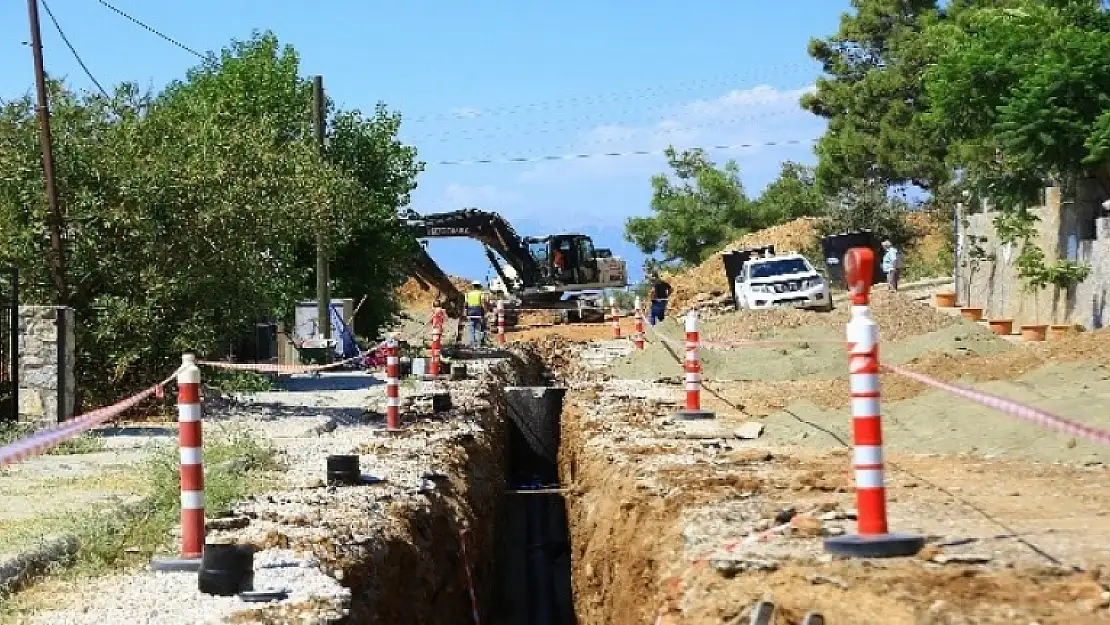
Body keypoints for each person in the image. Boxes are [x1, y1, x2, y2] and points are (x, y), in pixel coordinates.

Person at [464, 280, 487, 347]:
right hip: (478, 311)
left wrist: (465, 312)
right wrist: (485, 311)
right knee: (478, 328)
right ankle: (478, 344)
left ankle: (472, 344)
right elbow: (482, 302)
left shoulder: (468, 294)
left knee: (471, 328)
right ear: (479, 286)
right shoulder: (481, 293)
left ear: (473, 286)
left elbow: (466, 304)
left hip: (470, 312)